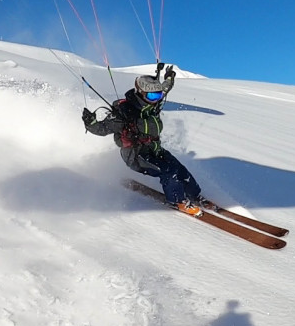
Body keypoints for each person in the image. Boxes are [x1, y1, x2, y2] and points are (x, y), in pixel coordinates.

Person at [82, 64, 206, 216]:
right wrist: (91, 123)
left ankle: (195, 195)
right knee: (169, 172)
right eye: (152, 97)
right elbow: (102, 129)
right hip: (136, 155)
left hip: (154, 149)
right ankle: (177, 201)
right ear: (141, 93)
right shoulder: (124, 114)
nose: (156, 100)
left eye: (158, 96)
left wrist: (169, 77)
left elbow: (165, 88)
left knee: (179, 169)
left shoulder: (153, 103)